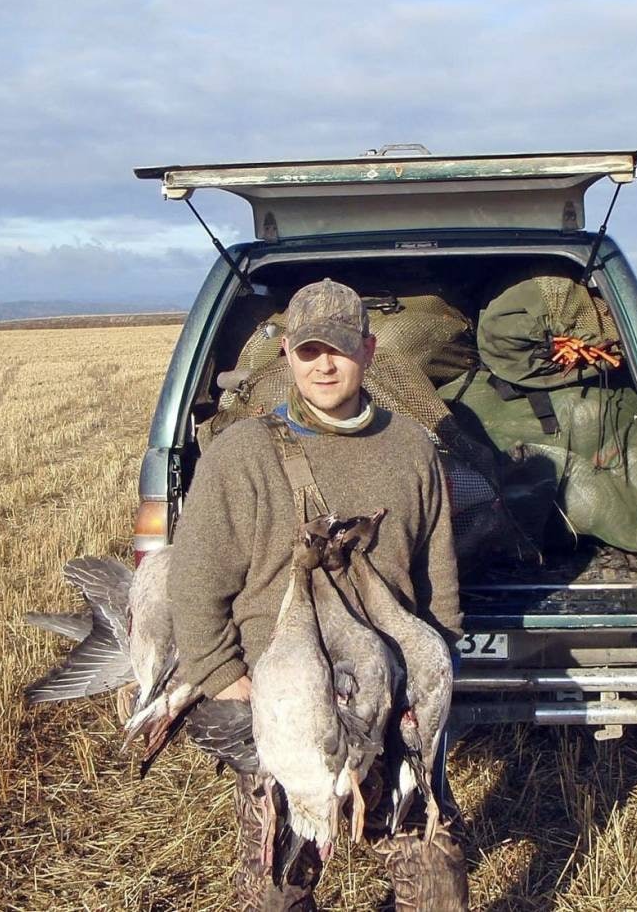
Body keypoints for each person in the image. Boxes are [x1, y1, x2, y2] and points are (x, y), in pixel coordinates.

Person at [166, 278, 468, 910]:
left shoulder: (412, 447)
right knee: (280, 887)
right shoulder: (242, 453)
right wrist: (220, 672)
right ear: (286, 356)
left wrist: (436, 662)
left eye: (339, 348)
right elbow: (196, 577)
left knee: (436, 885)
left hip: (387, 695)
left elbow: (437, 574)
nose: (324, 364)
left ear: (370, 350)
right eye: (308, 351)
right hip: (288, 701)